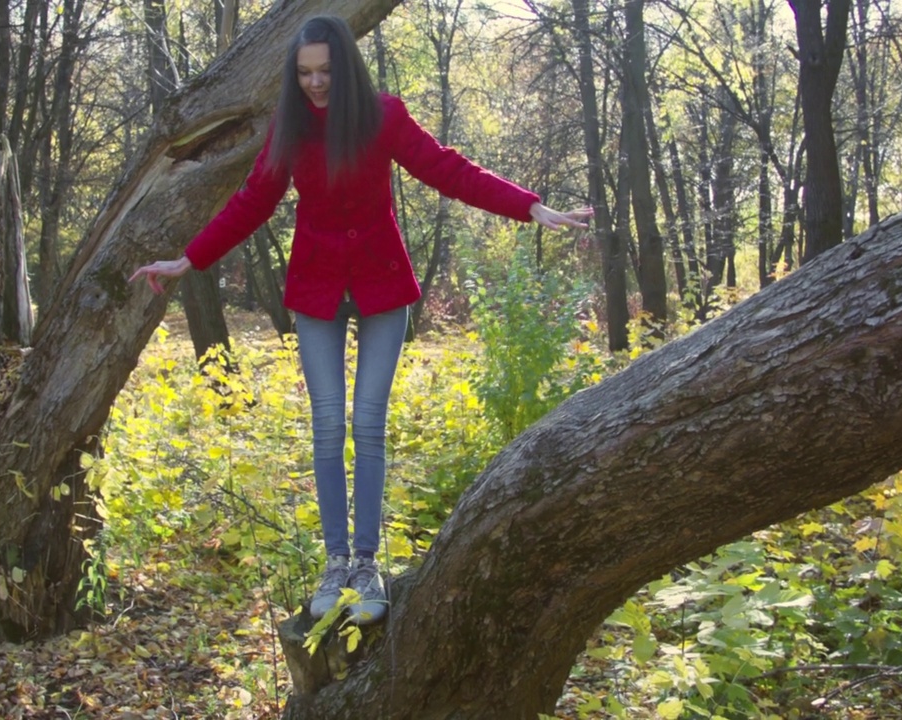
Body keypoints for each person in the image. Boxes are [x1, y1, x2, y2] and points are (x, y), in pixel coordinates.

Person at [130, 14, 591, 625]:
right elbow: (252, 203)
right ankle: (335, 561)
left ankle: (367, 565)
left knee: (368, 422)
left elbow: (449, 171)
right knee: (327, 424)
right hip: (316, 282)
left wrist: (532, 207)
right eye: (304, 74)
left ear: (344, 66)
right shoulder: (289, 128)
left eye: (324, 71)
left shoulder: (384, 115)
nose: (315, 84)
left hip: (381, 280)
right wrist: (190, 258)